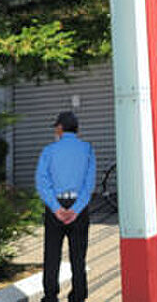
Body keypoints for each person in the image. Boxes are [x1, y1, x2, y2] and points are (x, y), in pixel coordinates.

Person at [36, 111, 96, 302]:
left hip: (56, 207)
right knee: (78, 256)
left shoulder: (48, 151)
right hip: (79, 208)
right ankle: (78, 295)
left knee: (52, 254)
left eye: (56, 127)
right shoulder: (87, 149)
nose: (55, 130)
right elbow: (89, 184)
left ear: (60, 128)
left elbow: (42, 182)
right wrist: (76, 209)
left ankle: (50, 296)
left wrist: (56, 208)